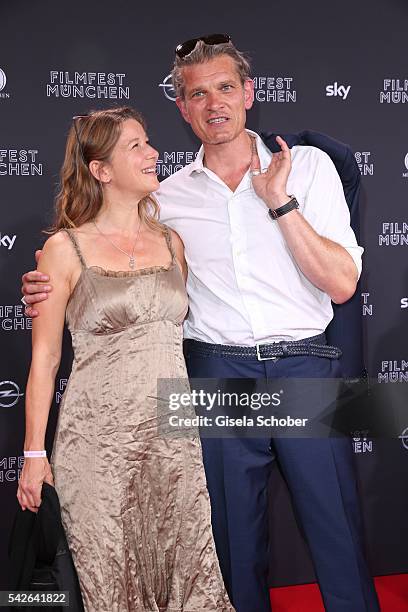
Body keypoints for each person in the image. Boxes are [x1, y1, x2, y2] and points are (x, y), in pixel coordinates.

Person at [21, 38, 380, 612]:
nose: (214, 103)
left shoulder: (308, 167)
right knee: (231, 553)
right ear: (183, 110)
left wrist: (279, 203)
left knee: (338, 539)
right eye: (197, 94)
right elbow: (105, 251)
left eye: (226, 87)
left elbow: (342, 284)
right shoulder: (163, 198)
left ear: (250, 94)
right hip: (212, 373)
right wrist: (48, 282)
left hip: (305, 366)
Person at [17, 106, 234, 612]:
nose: (153, 152)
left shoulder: (172, 243)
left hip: (172, 444)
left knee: (188, 569)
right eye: (136, 145)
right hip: (97, 446)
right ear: (101, 170)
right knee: (106, 575)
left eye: (149, 141)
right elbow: (45, 360)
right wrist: (33, 455)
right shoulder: (64, 250)